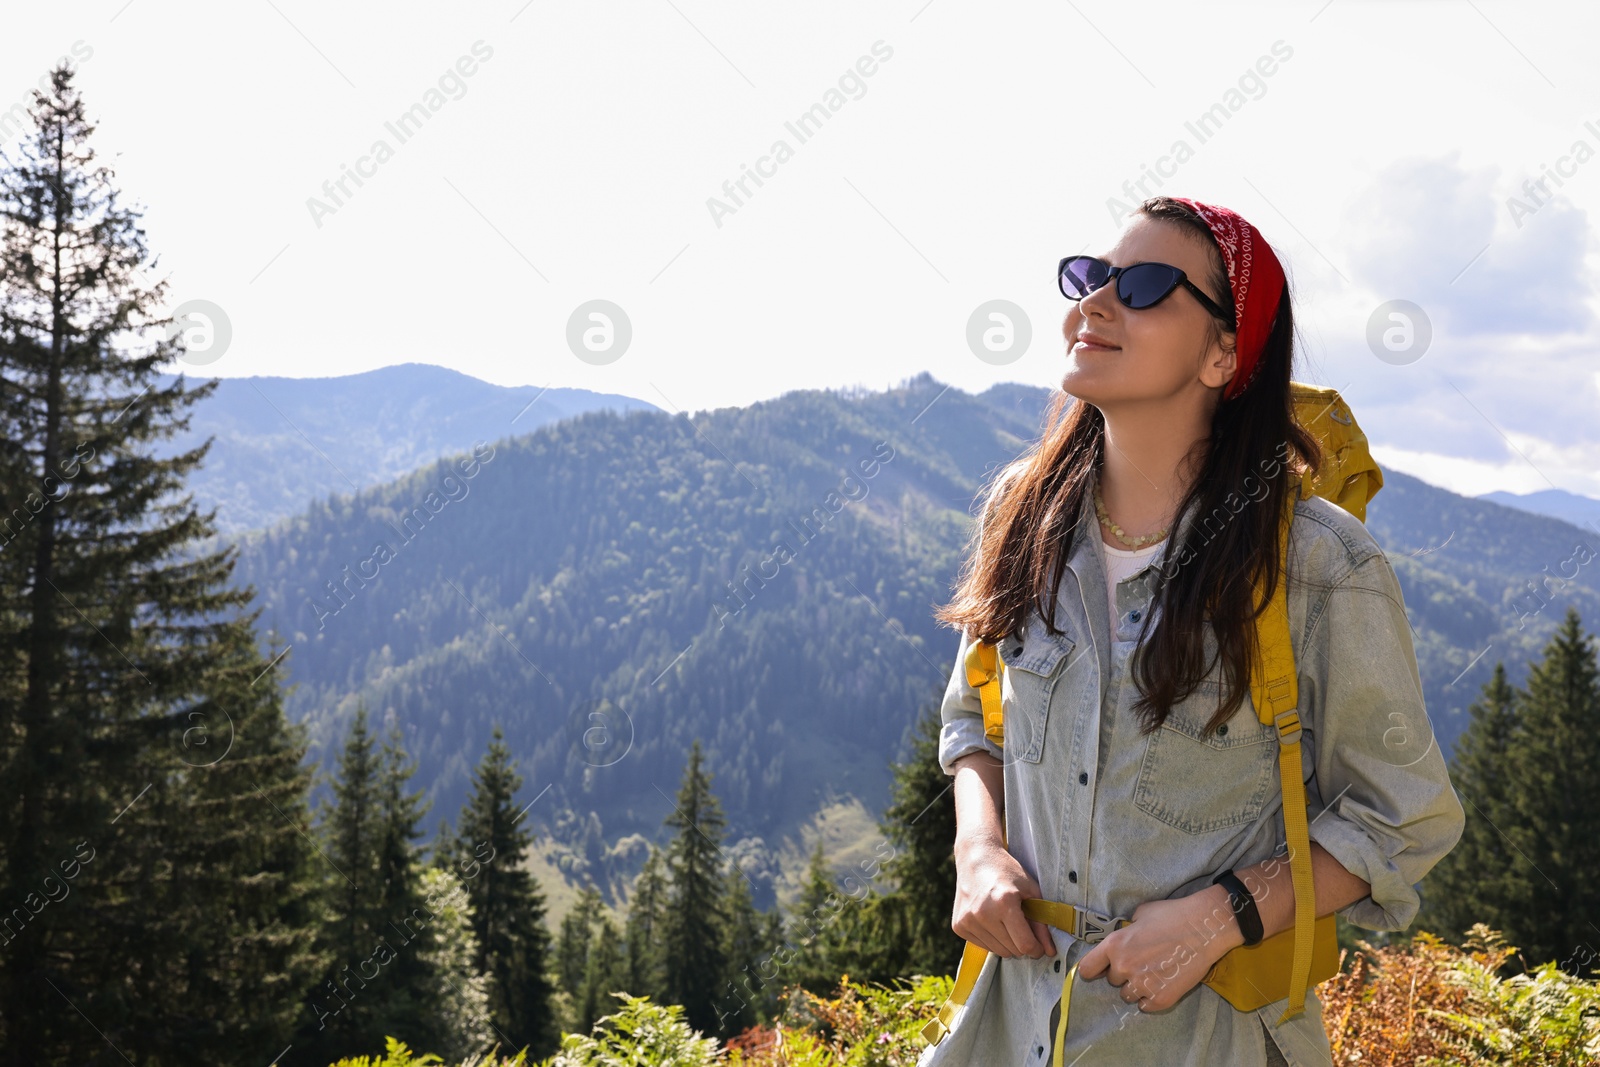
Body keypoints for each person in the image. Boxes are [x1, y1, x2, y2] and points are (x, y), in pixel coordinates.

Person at [921, 196, 1466, 1066]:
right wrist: (977, 848)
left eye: (1142, 286)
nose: (1095, 303)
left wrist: (1225, 915)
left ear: (1224, 353)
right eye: (1091, 277)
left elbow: (1404, 819)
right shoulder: (1020, 518)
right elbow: (974, 720)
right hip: (1004, 1030)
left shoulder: (1320, 564)